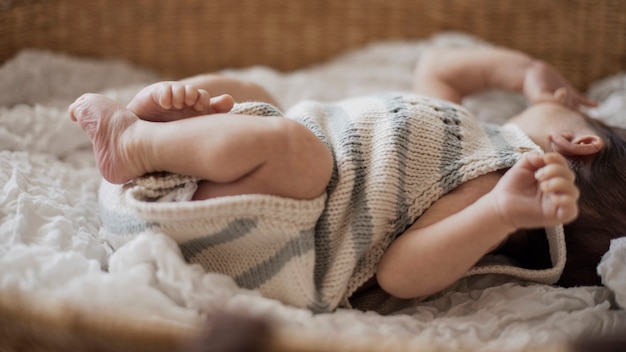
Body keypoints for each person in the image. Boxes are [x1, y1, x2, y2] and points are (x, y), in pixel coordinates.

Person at [69, 46, 626, 312]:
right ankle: (165, 137)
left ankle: (134, 143)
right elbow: (442, 67)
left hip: (249, 235)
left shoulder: (491, 183)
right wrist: (528, 72)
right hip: (215, 179)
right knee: (261, 100)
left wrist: (499, 212)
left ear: (580, 140)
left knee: (298, 153)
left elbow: (401, 272)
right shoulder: (469, 132)